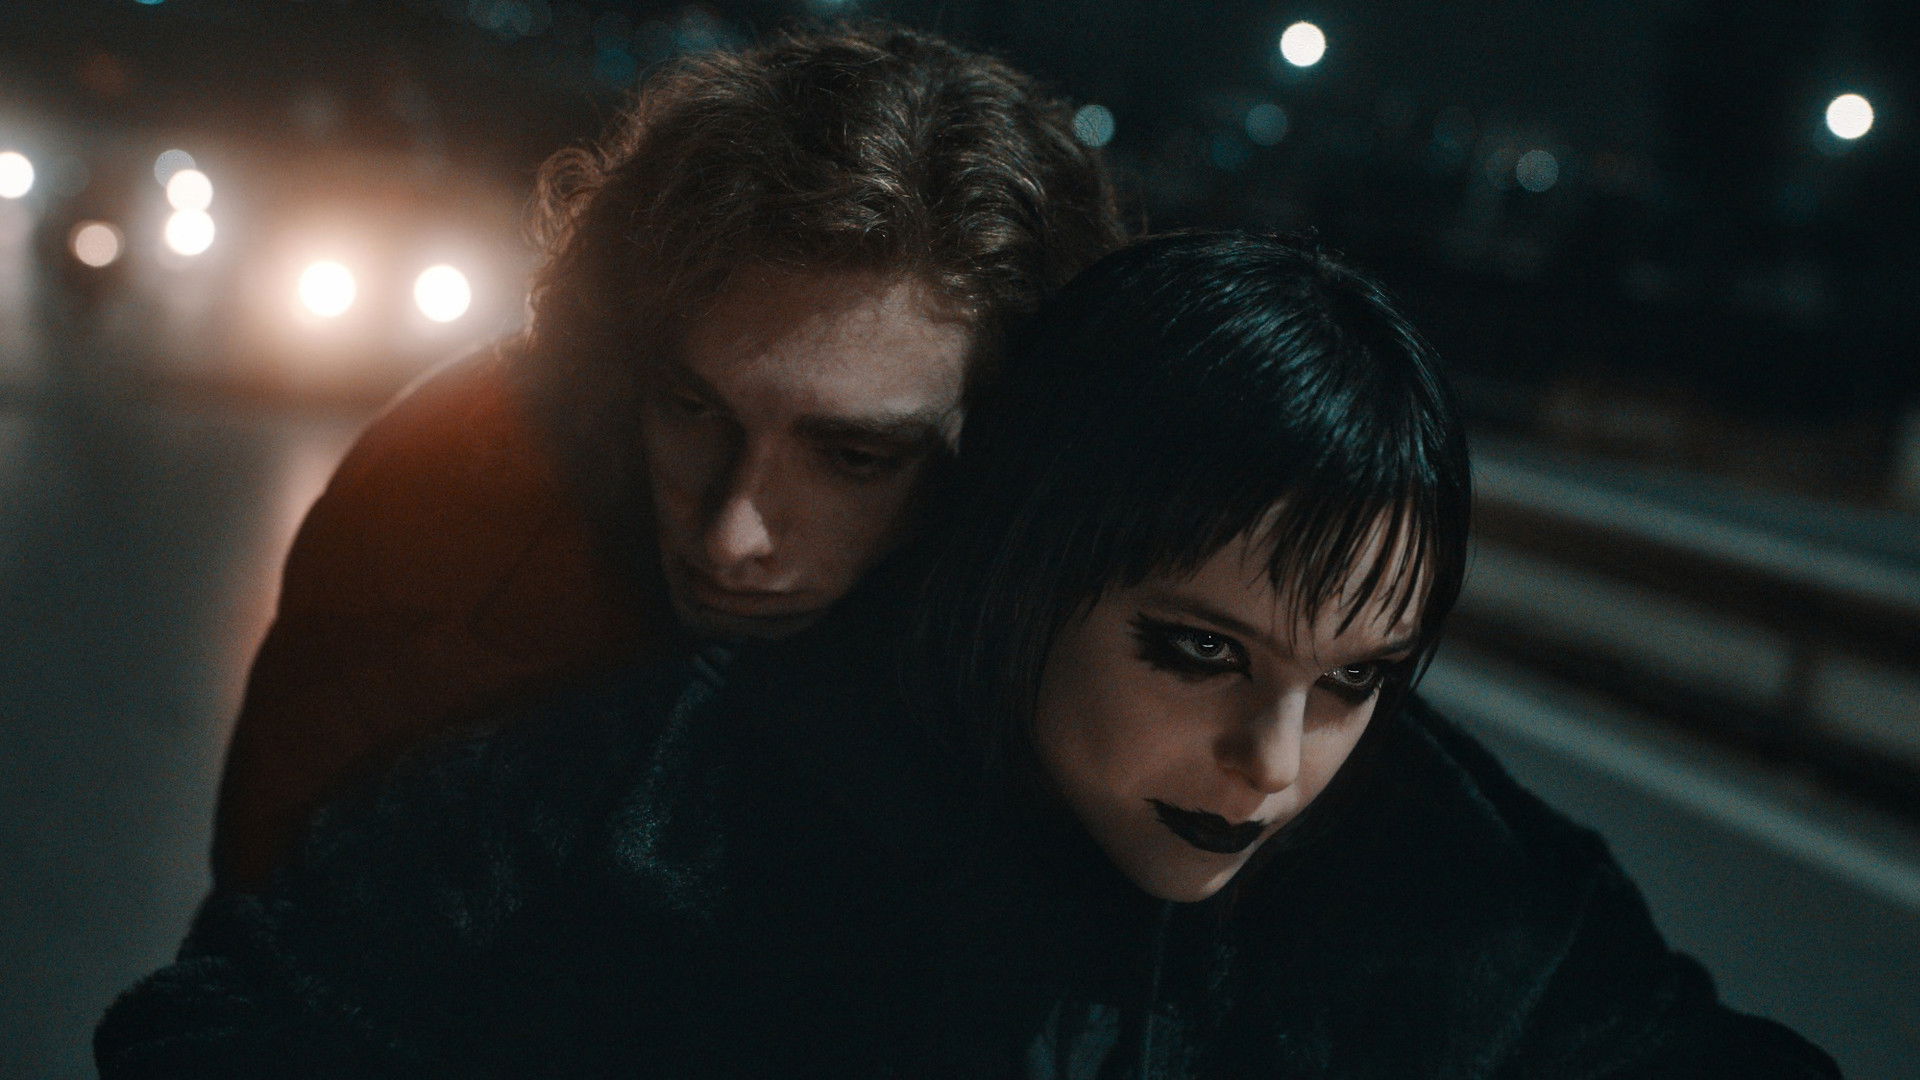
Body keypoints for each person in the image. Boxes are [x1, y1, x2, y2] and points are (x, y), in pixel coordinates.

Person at [97, 234, 1838, 1078]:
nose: (1273, 762)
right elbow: (217, 1032)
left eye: (1358, 677)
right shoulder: (648, 796)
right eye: (1195, 650)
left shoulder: (1463, 890)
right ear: (1022, 576)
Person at [210, 23, 1124, 891]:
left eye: (854, 456)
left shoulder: (1090, 630)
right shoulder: (443, 497)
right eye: (691, 410)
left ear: (1010, 449)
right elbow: (268, 930)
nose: (730, 537)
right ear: (620, 360)